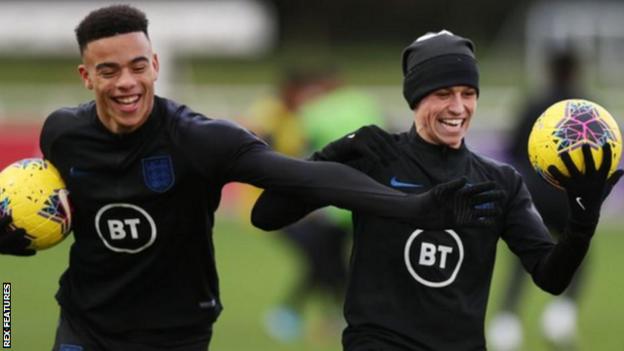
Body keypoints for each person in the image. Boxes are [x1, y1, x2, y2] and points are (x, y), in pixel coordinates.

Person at [0, 7, 503, 351]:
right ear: (86, 77)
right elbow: (46, 207)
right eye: (109, 71)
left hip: (176, 329)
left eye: (137, 66)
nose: (127, 83)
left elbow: (307, 178)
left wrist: (414, 207)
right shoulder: (62, 134)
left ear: (155, 65)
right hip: (85, 320)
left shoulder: (200, 140)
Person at [251, 30, 624, 350]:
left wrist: (581, 223)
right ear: (415, 97)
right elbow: (267, 214)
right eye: (443, 93)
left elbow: (551, 277)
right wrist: (326, 159)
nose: (458, 107)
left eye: (468, 92)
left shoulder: (501, 182)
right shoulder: (374, 157)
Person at [244, 68, 385, 342]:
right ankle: (328, 315)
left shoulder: (314, 112)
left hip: (323, 206)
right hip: (348, 203)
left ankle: (309, 315)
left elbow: (304, 154)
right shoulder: (360, 104)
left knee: (325, 261)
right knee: (326, 260)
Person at [487, 47, 589, 351]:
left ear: (549, 71)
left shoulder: (535, 105)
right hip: (572, 198)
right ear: (575, 71)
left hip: (534, 193)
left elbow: (512, 148)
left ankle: (505, 326)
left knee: (522, 259)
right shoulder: (588, 107)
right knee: (578, 256)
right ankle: (560, 318)